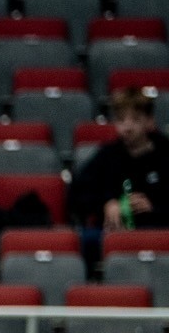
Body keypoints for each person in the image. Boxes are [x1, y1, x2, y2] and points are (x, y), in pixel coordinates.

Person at [71, 88, 169, 240]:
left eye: (135, 119)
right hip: (114, 235)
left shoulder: (165, 153)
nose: (127, 128)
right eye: (121, 120)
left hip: (159, 233)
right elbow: (77, 194)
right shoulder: (107, 155)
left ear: (150, 121)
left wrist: (155, 207)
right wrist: (106, 204)